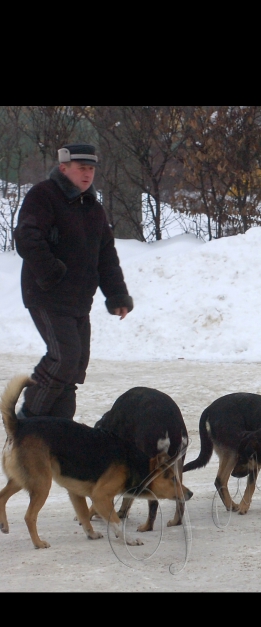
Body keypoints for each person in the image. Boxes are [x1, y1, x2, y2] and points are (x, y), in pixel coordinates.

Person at [14, 143, 133, 420]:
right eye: (82, 168)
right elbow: (27, 237)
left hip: (79, 301)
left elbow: (106, 256)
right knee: (63, 358)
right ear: (63, 167)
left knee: (75, 366)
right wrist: (51, 272)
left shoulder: (93, 208)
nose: (87, 174)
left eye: (91, 169)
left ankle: (59, 431)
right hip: (46, 295)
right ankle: (28, 423)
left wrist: (117, 296)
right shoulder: (43, 196)